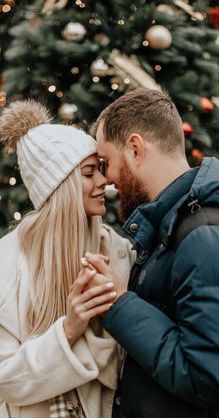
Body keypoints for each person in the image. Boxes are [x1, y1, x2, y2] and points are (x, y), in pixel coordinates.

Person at [0, 99, 134, 418]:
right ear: (61, 184)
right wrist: (69, 328)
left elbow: (126, 368)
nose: (104, 182)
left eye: (101, 171)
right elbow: (5, 381)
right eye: (89, 173)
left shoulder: (117, 251)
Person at [83, 88, 219, 418]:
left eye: (107, 161)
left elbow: (208, 379)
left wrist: (119, 302)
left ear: (134, 148)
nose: (108, 179)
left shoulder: (202, 234)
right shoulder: (165, 227)